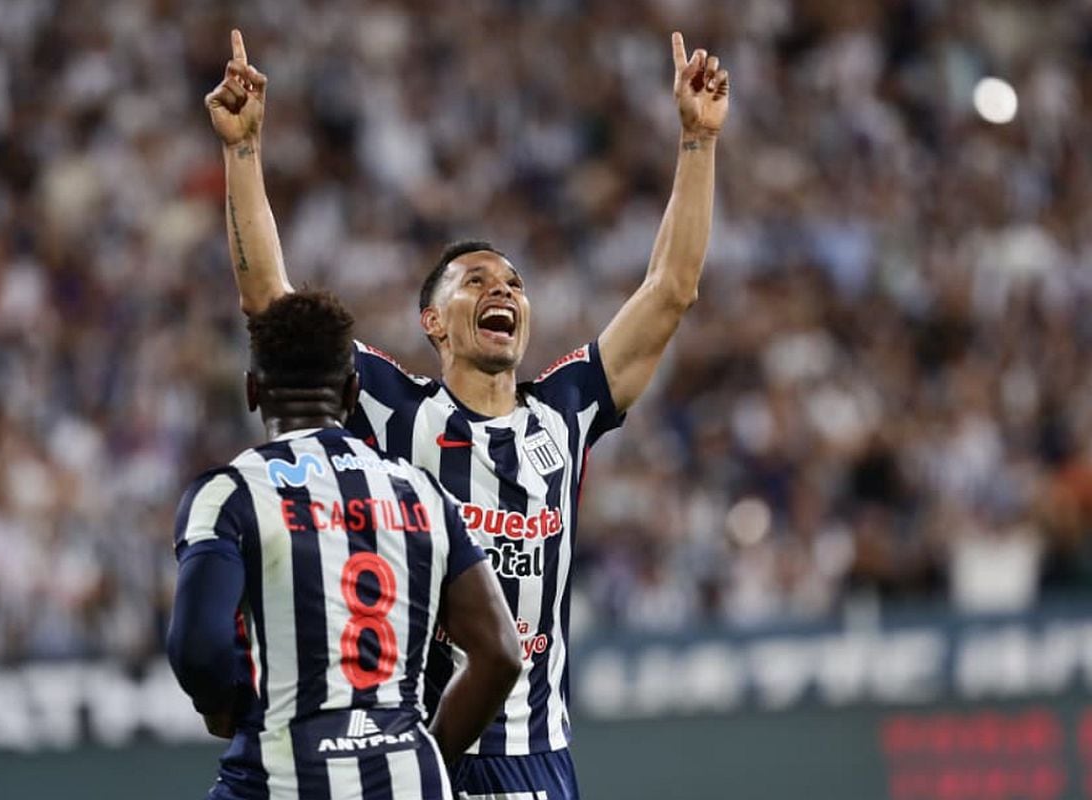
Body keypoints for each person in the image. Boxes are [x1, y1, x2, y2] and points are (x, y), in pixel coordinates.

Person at [205, 28, 729, 799]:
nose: (503, 290)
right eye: (476, 279)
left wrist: (696, 141)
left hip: (533, 757)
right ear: (434, 322)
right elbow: (272, 309)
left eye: (514, 282)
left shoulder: (567, 409)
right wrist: (243, 153)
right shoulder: (391, 409)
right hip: (417, 754)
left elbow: (671, 290)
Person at [166, 289, 521, 799]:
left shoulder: (231, 493)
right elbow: (501, 653)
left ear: (252, 391)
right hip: (408, 775)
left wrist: (222, 707)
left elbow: (197, 649)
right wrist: (423, 755)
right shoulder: (421, 491)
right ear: (352, 392)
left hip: (285, 778)